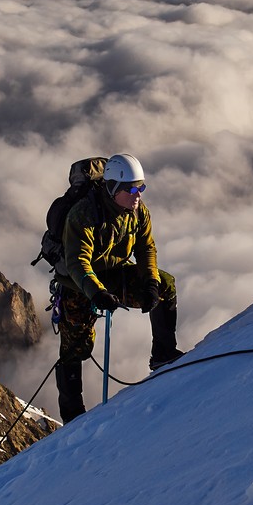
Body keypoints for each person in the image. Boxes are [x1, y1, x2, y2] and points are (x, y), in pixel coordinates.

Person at [53, 153, 182, 424]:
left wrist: (150, 283)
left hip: (112, 272)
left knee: (165, 284)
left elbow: (146, 247)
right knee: (76, 346)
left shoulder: (137, 212)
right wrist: (97, 292)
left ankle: (163, 354)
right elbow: (78, 262)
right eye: (131, 189)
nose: (138, 195)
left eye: (141, 187)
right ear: (113, 189)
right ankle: (72, 415)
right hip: (78, 283)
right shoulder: (84, 214)